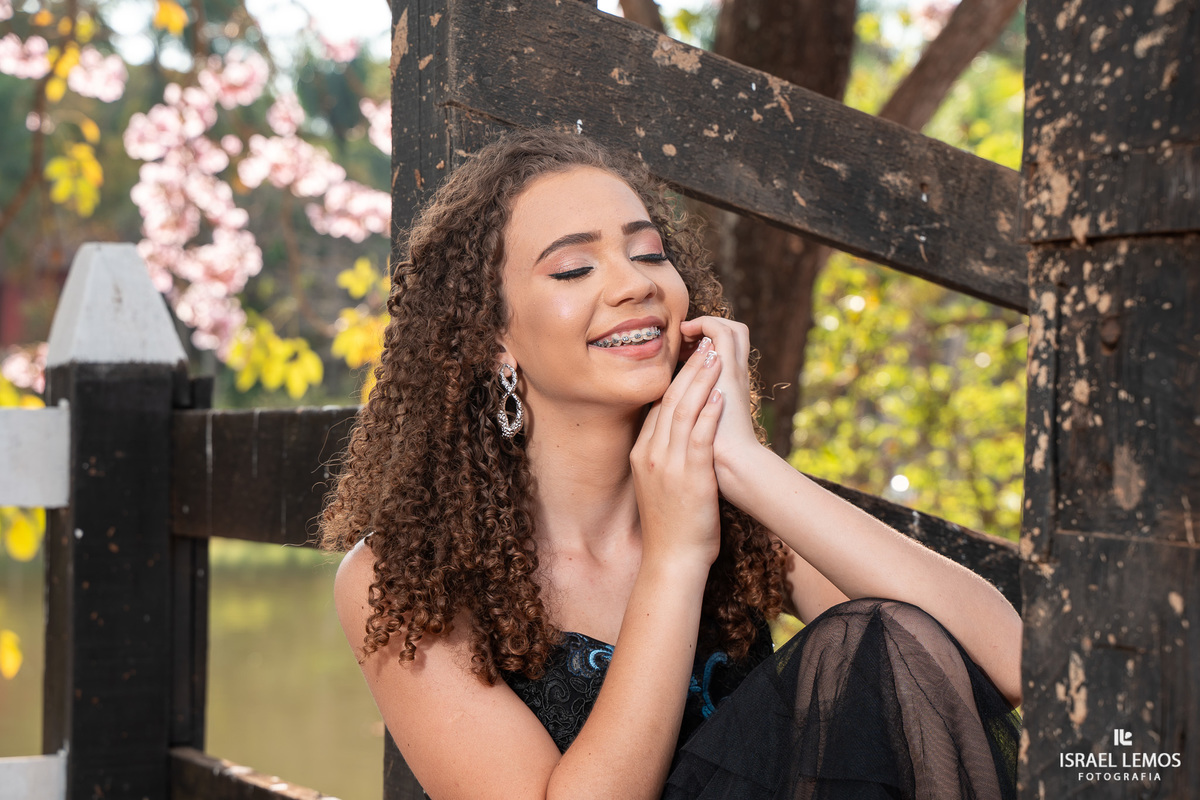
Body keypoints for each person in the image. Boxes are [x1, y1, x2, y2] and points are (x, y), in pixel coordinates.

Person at [319, 127, 1022, 800]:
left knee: (878, 636)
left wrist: (746, 466)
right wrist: (676, 556)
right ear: (492, 337)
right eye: (572, 267)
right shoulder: (400, 574)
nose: (634, 284)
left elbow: (1007, 662)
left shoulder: (737, 511)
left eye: (650, 253)